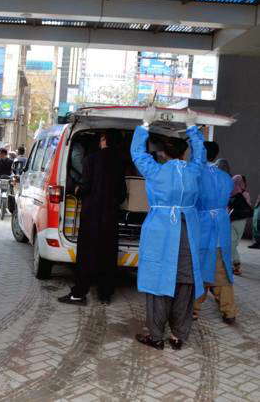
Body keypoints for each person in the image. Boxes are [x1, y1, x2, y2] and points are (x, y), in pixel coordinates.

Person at [132, 107, 206, 351]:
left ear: (163, 153)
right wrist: (194, 128)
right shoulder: (195, 171)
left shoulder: (156, 171)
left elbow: (137, 154)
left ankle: (155, 336)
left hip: (161, 232)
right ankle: (178, 336)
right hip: (187, 231)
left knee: (157, 283)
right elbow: (201, 155)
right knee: (185, 284)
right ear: (184, 152)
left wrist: (144, 123)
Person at [58, 131, 126, 306]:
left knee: (87, 254)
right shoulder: (120, 161)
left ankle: (79, 294)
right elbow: (122, 193)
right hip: (110, 216)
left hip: (92, 215)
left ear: (103, 140)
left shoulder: (91, 159)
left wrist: (78, 190)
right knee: (108, 255)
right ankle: (105, 295)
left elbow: (86, 186)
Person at [193, 141, 237, 324]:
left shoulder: (196, 175)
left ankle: (194, 309)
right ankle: (229, 311)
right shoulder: (226, 177)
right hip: (221, 225)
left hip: (203, 227)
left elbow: (192, 202)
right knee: (222, 270)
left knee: (200, 270)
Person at [229, 174, 253, 274]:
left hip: (233, 220)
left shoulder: (231, 193)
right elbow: (249, 207)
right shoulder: (245, 194)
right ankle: (236, 264)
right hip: (242, 221)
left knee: (232, 243)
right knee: (234, 242)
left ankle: (235, 264)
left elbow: (228, 207)